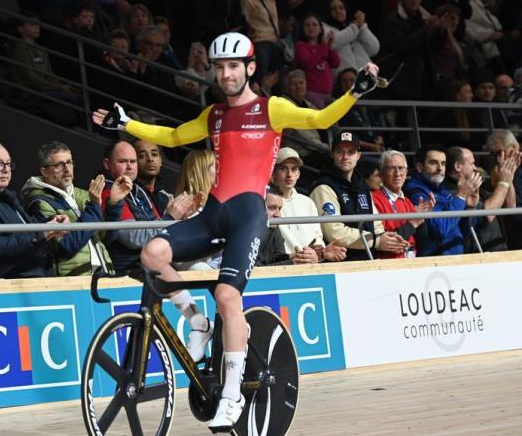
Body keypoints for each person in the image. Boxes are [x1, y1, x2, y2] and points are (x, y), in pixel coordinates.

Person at [92, 31, 381, 430]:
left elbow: (319, 119)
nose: (226, 74)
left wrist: (353, 93)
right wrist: (127, 124)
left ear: (249, 68)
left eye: (233, 66)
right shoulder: (213, 116)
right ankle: (195, 320)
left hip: (248, 217)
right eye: (219, 67)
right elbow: (175, 136)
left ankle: (230, 396)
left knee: (228, 296)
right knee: (153, 253)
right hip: (214, 213)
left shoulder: (272, 108)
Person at [21, 141, 131, 276]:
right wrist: (94, 205)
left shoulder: (83, 194)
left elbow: (106, 238)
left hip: (104, 271)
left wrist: (114, 204)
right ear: (44, 172)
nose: (67, 169)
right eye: (59, 165)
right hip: (73, 279)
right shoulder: (39, 202)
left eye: (69, 162)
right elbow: (66, 245)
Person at [0, 139, 67, 279]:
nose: (6, 169)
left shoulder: (6, 197)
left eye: (8, 163)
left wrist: (51, 222)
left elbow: (28, 228)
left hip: (35, 280)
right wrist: (42, 233)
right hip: (11, 287)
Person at [310, 132, 409, 261]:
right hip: (341, 263)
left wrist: (387, 239)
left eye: (351, 152)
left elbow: (376, 222)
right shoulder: (323, 187)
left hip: (366, 259)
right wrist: (375, 240)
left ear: (358, 156)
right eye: (340, 152)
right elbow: (334, 232)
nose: (345, 157)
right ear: (332, 155)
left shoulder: (361, 185)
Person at [99, 140, 194, 272]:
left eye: (133, 161)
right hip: (131, 268)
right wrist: (170, 217)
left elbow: (156, 225)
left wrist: (181, 217)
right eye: (122, 161)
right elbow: (134, 238)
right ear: (107, 164)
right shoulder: (107, 192)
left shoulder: (138, 189)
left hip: (152, 261)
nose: (129, 167)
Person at [271, 147, 346, 263]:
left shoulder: (308, 202)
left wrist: (322, 252)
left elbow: (317, 240)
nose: (289, 174)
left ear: (299, 174)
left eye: (294, 169)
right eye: (283, 169)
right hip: (281, 268)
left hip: (309, 268)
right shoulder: (265, 203)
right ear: (273, 172)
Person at [403, 145, 481, 256]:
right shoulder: (416, 192)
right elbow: (440, 229)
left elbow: (464, 231)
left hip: (455, 257)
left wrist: (470, 208)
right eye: (433, 163)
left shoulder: (441, 190)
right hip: (436, 263)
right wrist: (461, 196)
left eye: (443, 163)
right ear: (420, 167)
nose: (440, 168)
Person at [442, 146, 515, 252]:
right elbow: (488, 214)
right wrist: (503, 182)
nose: (475, 167)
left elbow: (511, 205)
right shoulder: (451, 190)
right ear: (458, 166)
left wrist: (508, 177)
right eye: (472, 163)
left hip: (496, 248)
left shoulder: (474, 183)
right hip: (480, 253)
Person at [372, 150, 434, 259]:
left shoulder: (407, 201)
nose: (397, 174)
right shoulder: (374, 199)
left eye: (401, 168)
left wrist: (422, 219)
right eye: (392, 168)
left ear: (406, 172)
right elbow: (387, 242)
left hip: (411, 262)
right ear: (381, 173)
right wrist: (414, 222)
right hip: (388, 265)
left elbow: (422, 240)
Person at [280, 69, 330, 166]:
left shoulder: (305, 103)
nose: (298, 87)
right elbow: (307, 139)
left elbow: (323, 119)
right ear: (286, 88)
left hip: (316, 150)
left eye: (301, 83)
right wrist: (330, 148)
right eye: (293, 84)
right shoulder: (286, 106)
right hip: (301, 154)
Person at [323, 0, 380, 76]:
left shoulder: (354, 26)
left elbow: (374, 49)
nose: (338, 11)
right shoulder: (324, 28)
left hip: (366, 78)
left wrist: (362, 27)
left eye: (341, 8)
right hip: (344, 81)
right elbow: (334, 41)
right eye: (333, 9)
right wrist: (355, 27)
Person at [295, 13, 340, 108]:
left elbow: (335, 63)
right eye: (307, 25)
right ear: (302, 30)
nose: (311, 27)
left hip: (328, 93)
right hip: (312, 92)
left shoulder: (323, 46)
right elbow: (308, 64)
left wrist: (331, 47)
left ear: (320, 29)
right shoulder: (301, 45)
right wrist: (324, 46)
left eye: (314, 25)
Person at [133, 139, 173, 218]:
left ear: (161, 161)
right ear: (134, 162)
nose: (150, 159)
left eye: (154, 154)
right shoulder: (129, 194)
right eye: (142, 156)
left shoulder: (166, 197)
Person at [257, 185, 291, 266]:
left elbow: (276, 257)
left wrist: (294, 257)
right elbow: (254, 271)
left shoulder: (273, 226)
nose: (278, 214)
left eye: (279, 208)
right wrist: (292, 262)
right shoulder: (244, 231)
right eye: (271, 208)